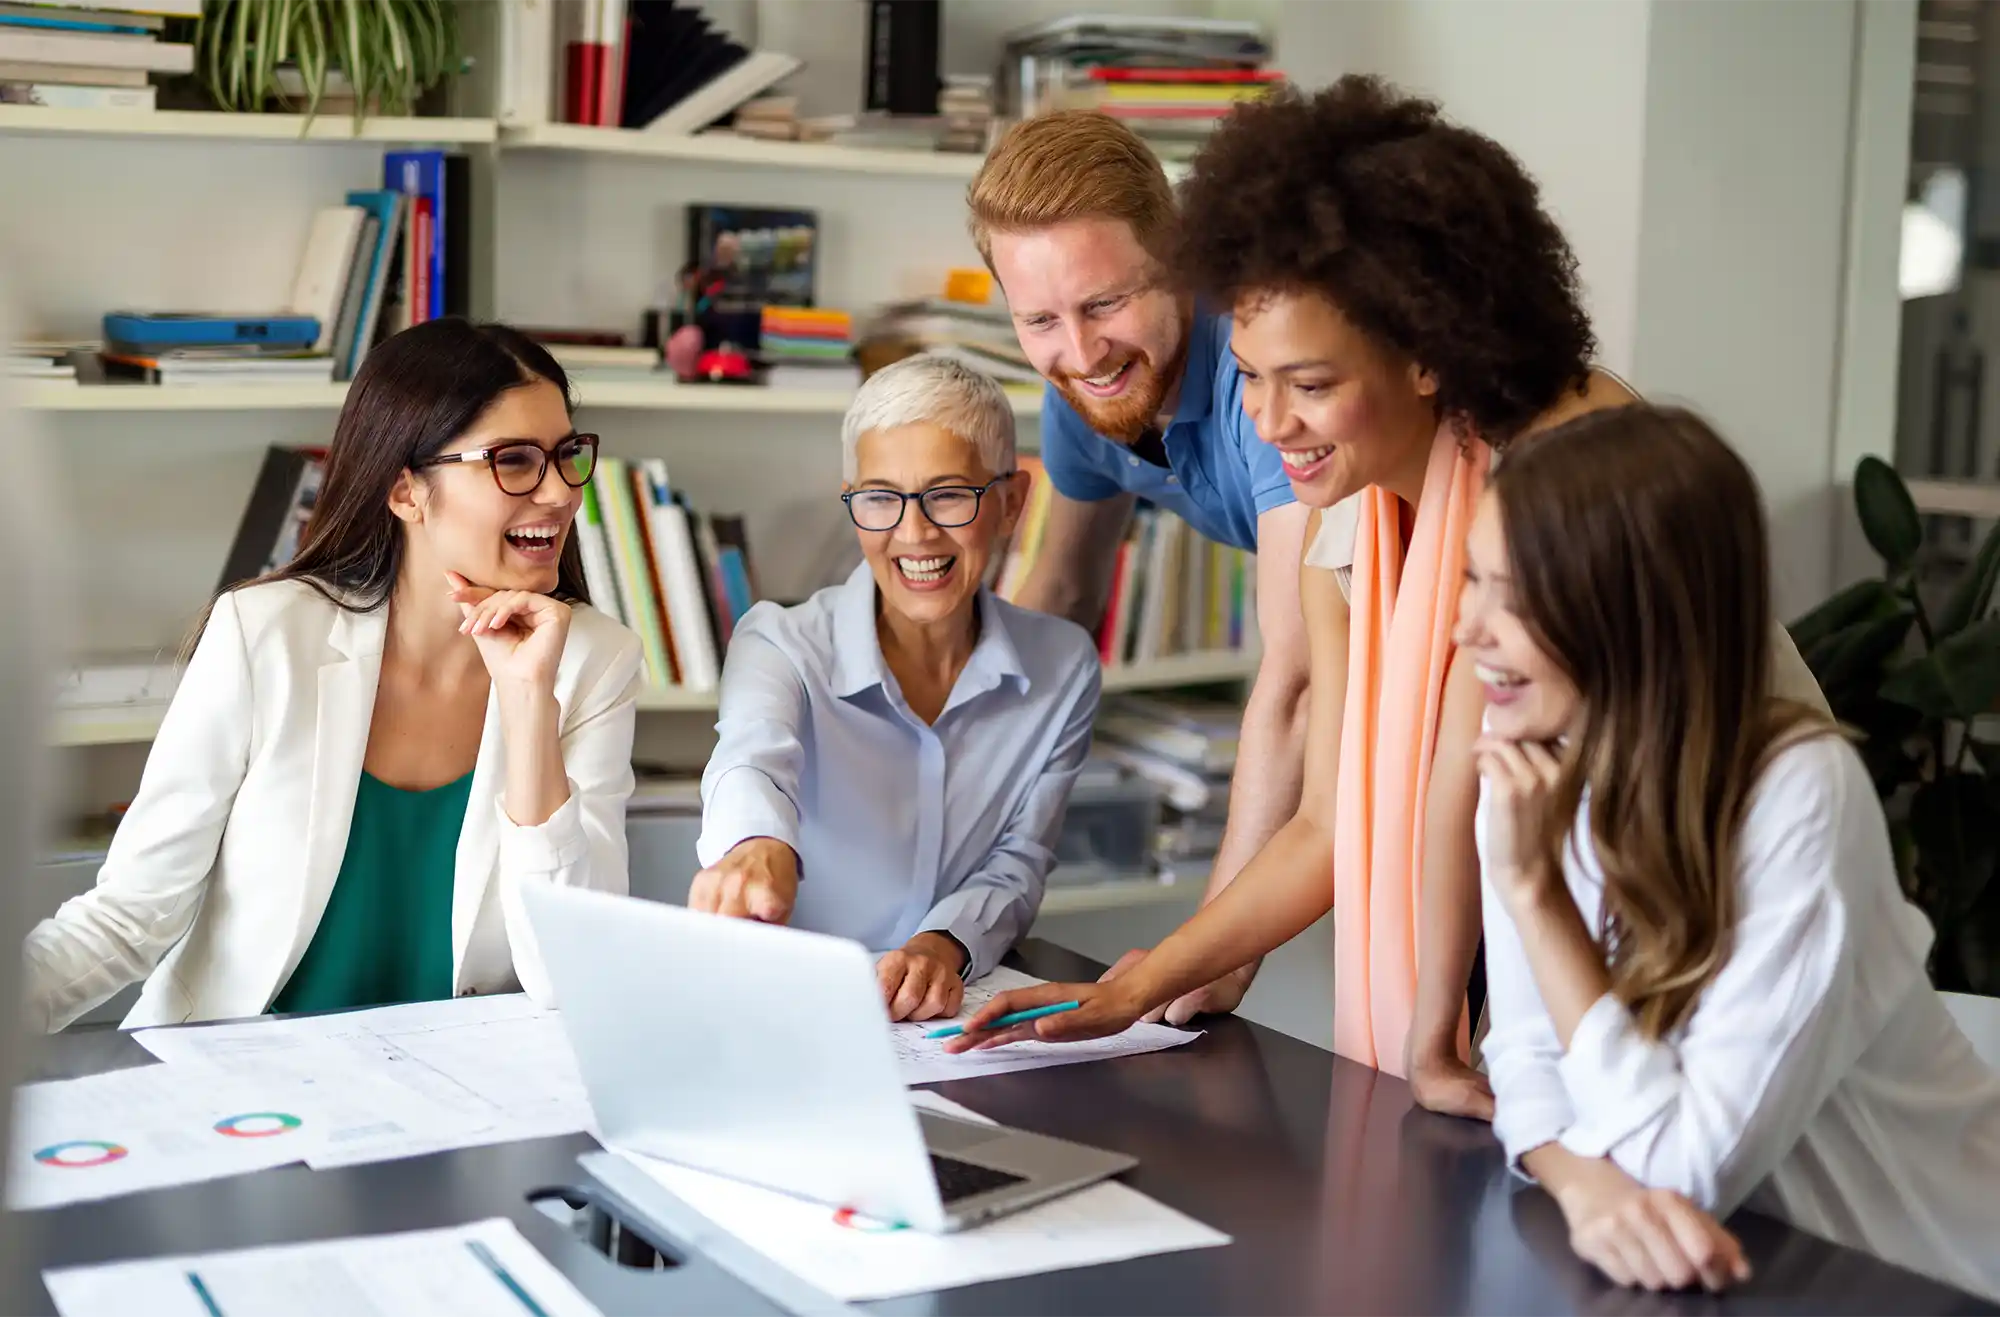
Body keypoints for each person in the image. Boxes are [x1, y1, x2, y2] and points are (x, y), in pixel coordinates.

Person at [949, 79, 1826, 1119]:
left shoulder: (1569, 474)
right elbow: (1330, 822)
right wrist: (1140, 984)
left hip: (1713, 932)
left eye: (1308, 384)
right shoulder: (1345, 501)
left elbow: (1541, 792)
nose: (1268, 426)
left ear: (1420, 352)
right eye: (1248, 377)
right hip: (1561, 964)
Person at [1467, 404, 2000, 1300]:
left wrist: (1535, 895)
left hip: (1930, 1284)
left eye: (1510, 597)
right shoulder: (1531, 756)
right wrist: (1589, 1191)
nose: (1465, 629)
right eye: (1470, 581)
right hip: (1743, 1277)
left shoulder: (1800, 794)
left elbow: (1680, 1168)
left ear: (1631, 616)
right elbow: (1523, 1063)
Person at [23, 319, 643, 1032]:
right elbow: (130, 915)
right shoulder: (266, 636)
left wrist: (530, 698)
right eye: (514, 460)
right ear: (406, 490)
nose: (560, 492)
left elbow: (573, 972)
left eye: (567, 455)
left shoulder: (596, 663)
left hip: (466, 1103)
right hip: (242, 1089)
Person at [966, 110, 1316, 1024]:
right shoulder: (1082, 395)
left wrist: (1213, 954)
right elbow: (1057, 600)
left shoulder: (1264, 373)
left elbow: (1300, 680)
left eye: (1105, 304)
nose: (1080, 354)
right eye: (1040, 319)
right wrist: (956, 851)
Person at [689, 355, 1100, 1023]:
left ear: (1011, 503)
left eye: (946, 494)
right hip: (783, 1008)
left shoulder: (1063, 668)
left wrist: (942, 946)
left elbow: (1018, 861)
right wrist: (758, 850)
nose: (914, 533)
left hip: (941, 1022)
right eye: (880, 497)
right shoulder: (780, 642)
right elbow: (751, 761)